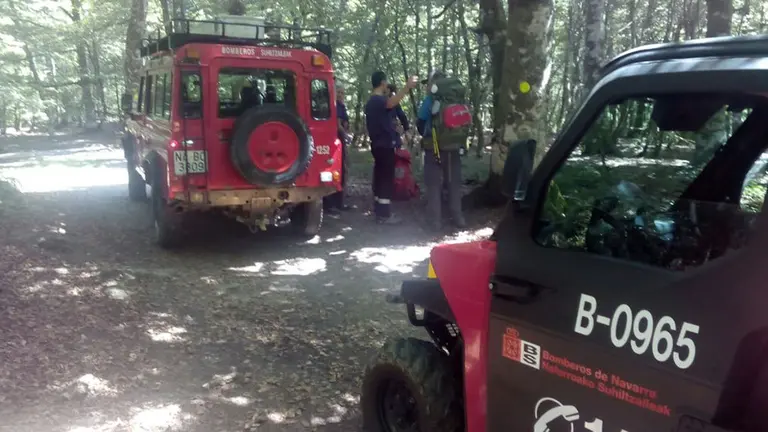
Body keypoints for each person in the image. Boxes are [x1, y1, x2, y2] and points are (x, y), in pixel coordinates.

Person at [365, 71, 418, 224]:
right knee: (386, 178)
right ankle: (384, 215)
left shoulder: (371, 102)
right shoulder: (377, 100)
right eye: (386, 82)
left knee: (381, 177)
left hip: (378, 145)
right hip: (384, 145)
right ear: (382, 83)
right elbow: (391, 103)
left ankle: (379, 210)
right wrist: (407, 87)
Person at [417, 69, 467, 230]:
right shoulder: (456, 98)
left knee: (433, 183)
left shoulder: (431, 99)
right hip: (454, 145)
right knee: (453, 182)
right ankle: (458, 218)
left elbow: (421, 120)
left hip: (434, 147)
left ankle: (435, 221)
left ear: (433, 83)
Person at [324, 82, 351, 215]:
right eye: (338, 92)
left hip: (341, 141)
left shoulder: (342, 106)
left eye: (342, 92)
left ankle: (339, 202)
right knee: (334, 171)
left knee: (342, 171)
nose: (340, 95)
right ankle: (331, 204)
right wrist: (346, 135)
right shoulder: (334, 106)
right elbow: (338, 124)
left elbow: (345, 123)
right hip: (334, 142)